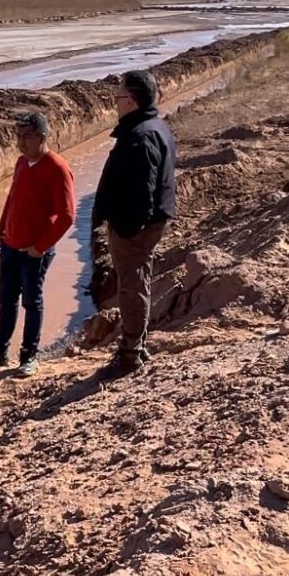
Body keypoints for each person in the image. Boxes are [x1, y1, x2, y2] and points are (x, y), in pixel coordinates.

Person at [0, 113, 76, 377]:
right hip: (10, 245)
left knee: (32, 301)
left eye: (26, 137)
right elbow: (12, 201)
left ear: (42, 138)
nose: (20, 143)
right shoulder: (21, 163)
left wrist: (40, 247)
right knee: (6, 299)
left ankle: (29, 355)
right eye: (18, 137)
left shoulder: (57, 168)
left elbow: (67, 216)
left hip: (33, 251)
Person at [92, 70, 177, 374]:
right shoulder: (155, 127)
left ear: (129, 101)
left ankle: (131, 352)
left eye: (117, 97)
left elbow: (142, 191)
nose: (115, 103)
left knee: (131, 287)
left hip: (137, 227)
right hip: (151, 221)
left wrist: (126, 229)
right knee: (137, 283)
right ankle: (136, 343)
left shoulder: (140, 136)